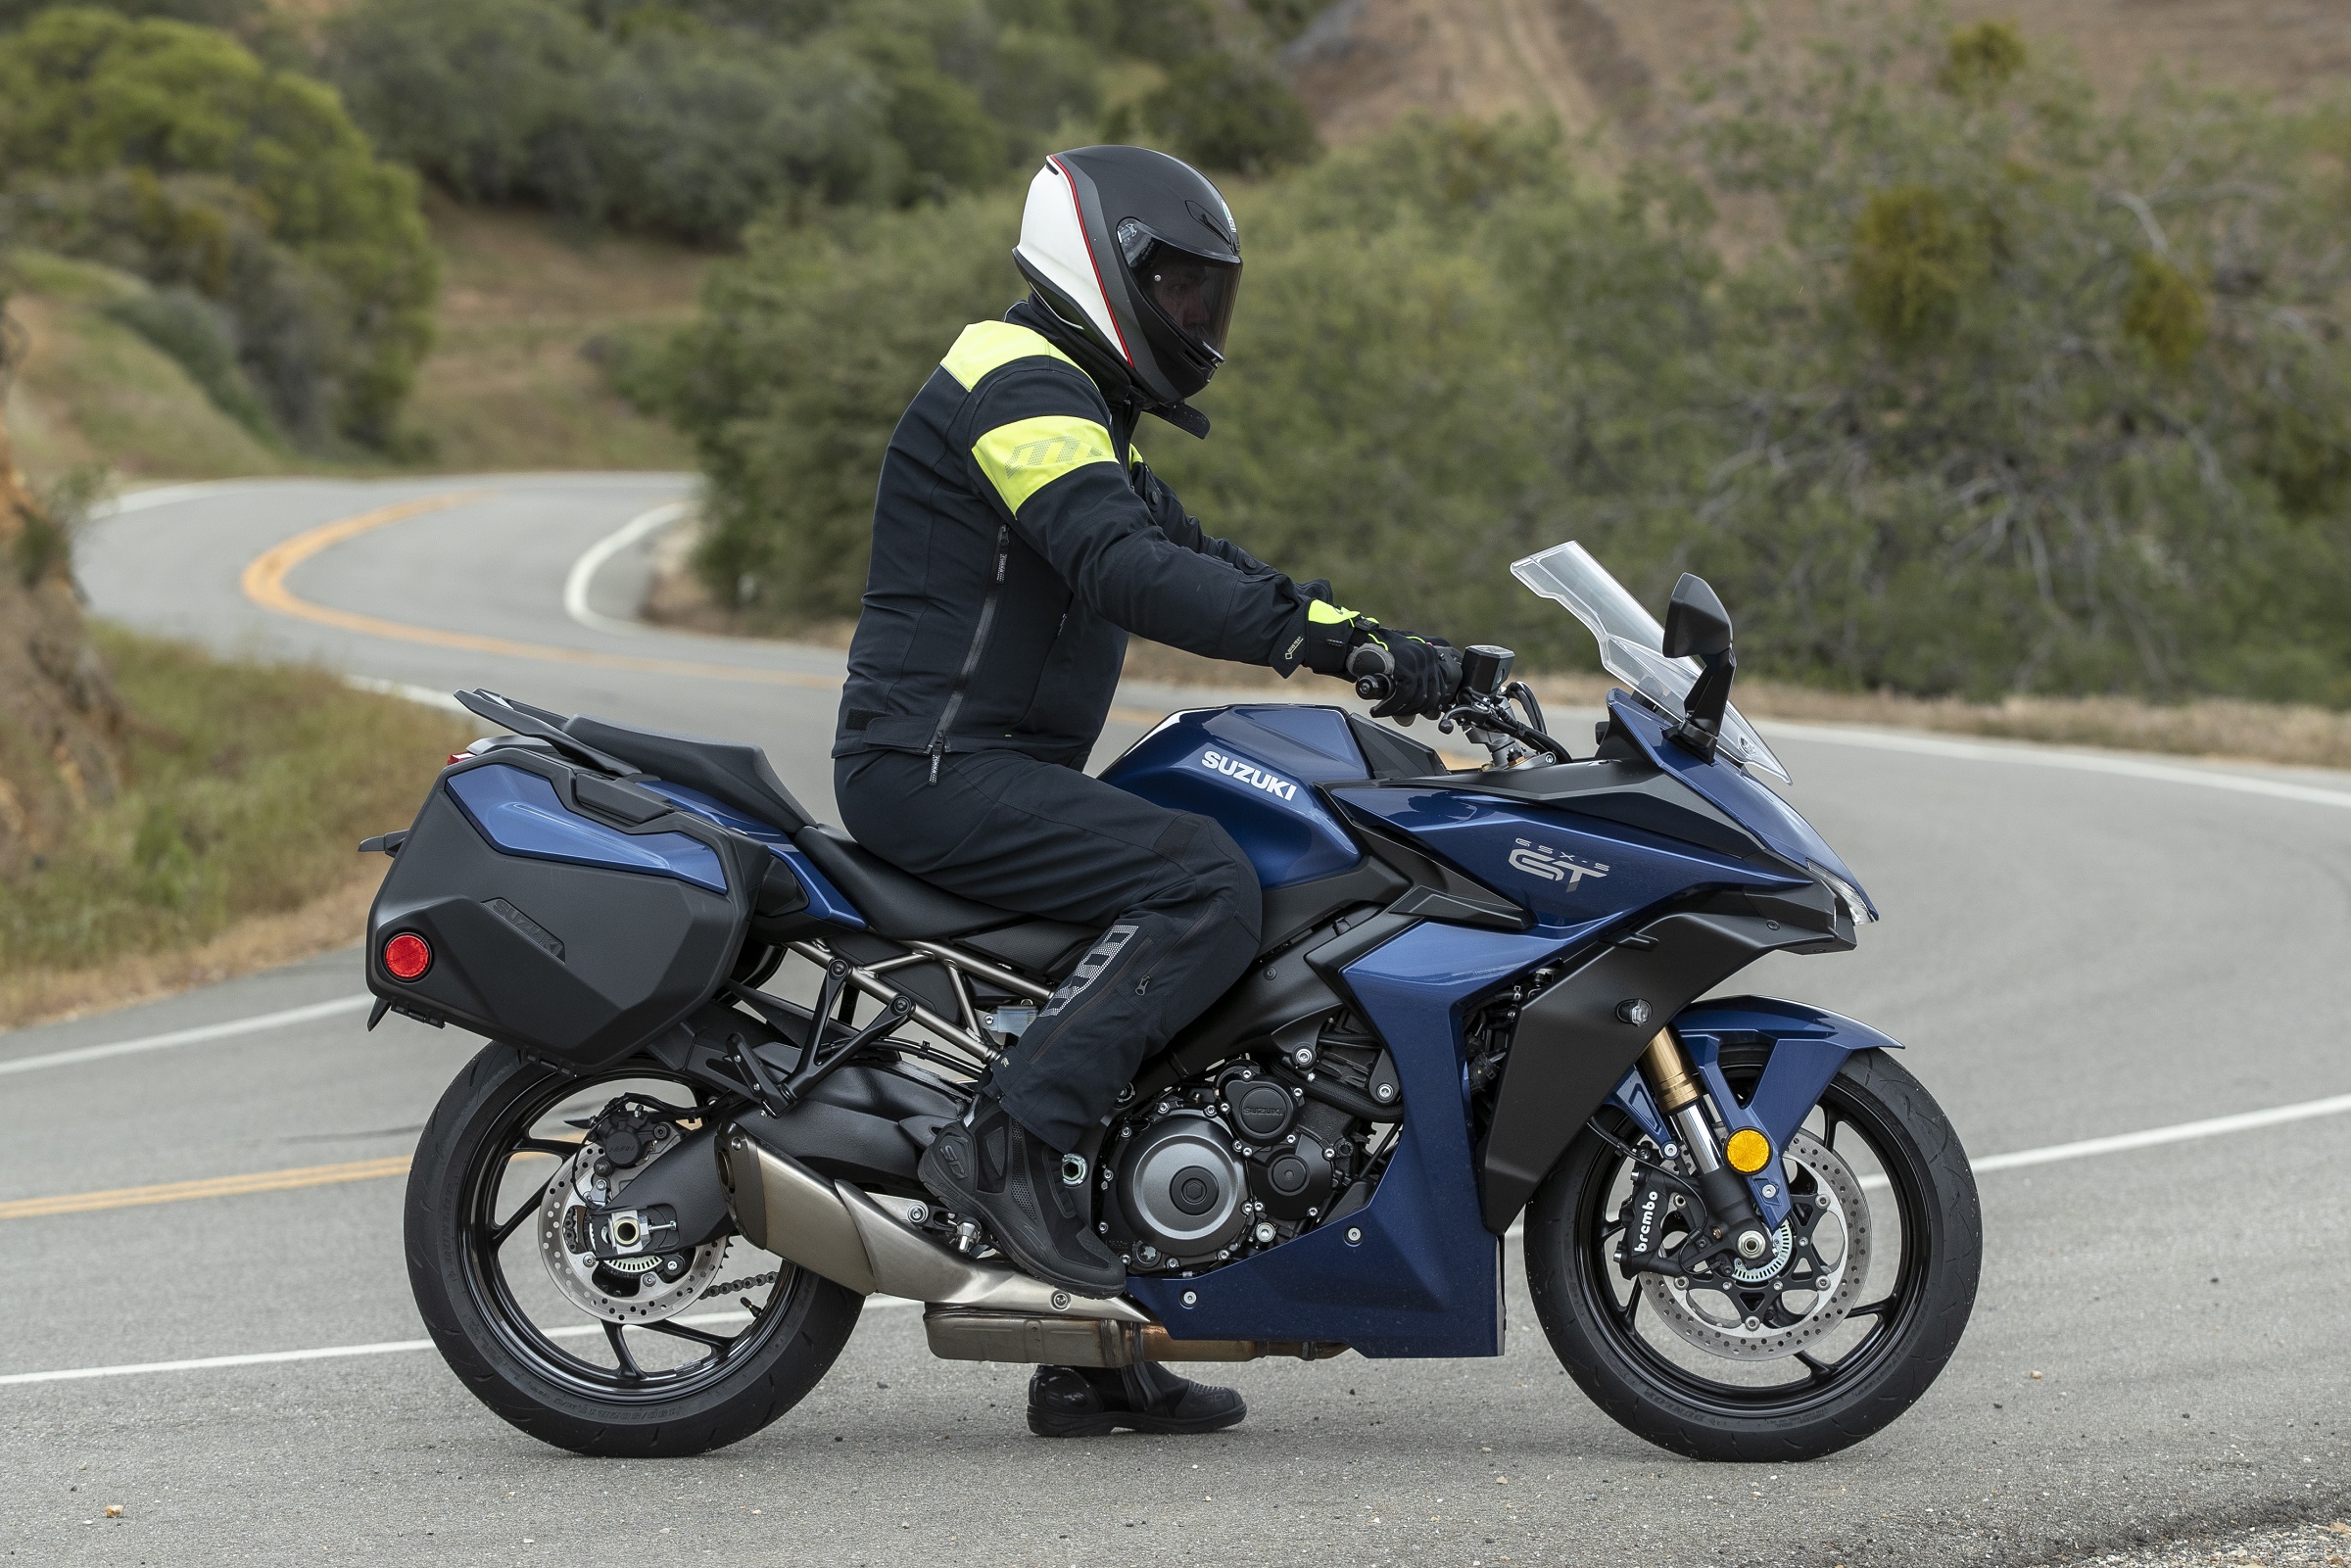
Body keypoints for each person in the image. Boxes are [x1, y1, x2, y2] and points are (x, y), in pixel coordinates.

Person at [832, 145, 1459, 1436]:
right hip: (936, 771)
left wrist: (1388, 643)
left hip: (992, 771)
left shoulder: (1076, 408)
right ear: (1098, 266)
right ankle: (1003, 1145)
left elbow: (1197, 554)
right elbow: (1122, 566)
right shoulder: (1013, 382)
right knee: (1199, 881)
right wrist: (1314, 643)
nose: (1195, 319)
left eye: (1205, 296)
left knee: (1203, 956)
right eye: (1175, 289)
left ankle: (1097, 1349)